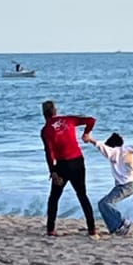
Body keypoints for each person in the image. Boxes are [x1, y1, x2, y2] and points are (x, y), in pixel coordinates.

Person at [40, 99, 98, 237]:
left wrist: (52, 171)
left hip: (61, 166)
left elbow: (49, 152)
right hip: (77, 161)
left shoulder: (45, 130)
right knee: (82, 195)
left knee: (54, 198)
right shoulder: (68, 120)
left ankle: (50, 229)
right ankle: (92, 229)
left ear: (44, 114)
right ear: (55, 111)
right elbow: (91, 120)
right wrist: (86, 133)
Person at [82, 131, 133, 236]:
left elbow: (102, 147)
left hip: (126, 186)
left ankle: (121, 223)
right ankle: (116, 228)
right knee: (103, 203)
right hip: (129, 186)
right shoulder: (126, 154)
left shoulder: (116, 152)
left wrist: (90, 139)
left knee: (105, 203)